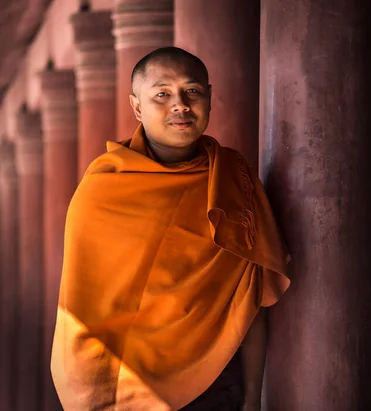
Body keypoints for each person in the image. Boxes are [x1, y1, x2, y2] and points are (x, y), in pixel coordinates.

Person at [50, 47, 291, 411]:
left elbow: (249, 297)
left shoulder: (232, 180)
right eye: (162, 94)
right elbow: (85, 303)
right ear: (137, 107)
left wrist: (253, 394)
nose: (180, 104)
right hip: (124, 383)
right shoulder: (105, 188)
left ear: (209, 96)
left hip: (214, 381)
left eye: (192, 91)